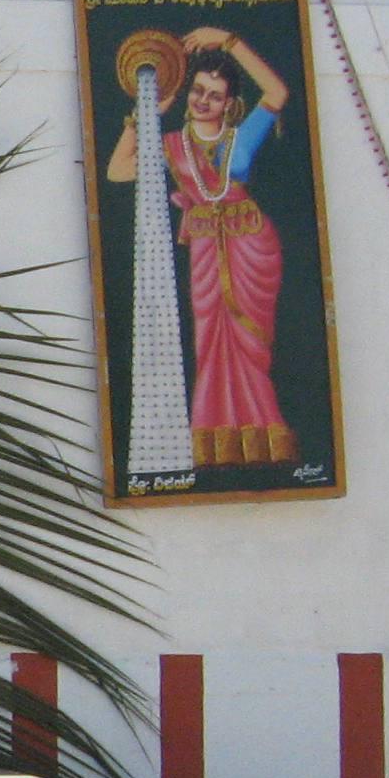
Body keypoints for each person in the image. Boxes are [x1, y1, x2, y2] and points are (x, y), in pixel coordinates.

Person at [105, 26, 295, 466]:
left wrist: (227, 40)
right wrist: (144, 114)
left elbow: (277, 91)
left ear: (229, 104)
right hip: (207, 252)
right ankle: (217, 438)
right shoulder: (172, 147)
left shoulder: (239, 139)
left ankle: (263, 433)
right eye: (197, 90)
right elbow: (117, 170)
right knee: (210, 340)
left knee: (249, 344)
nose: (203, 101)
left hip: (250, 247)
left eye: (215, 95)